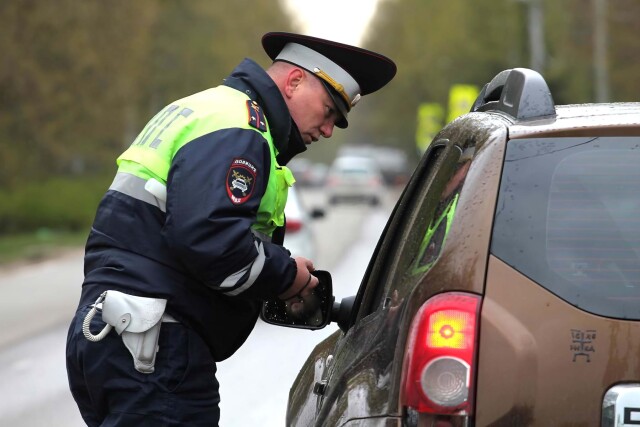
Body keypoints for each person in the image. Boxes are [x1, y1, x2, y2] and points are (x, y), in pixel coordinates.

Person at [65, 31, 396, 426]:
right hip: (155, 348)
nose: (327, 130)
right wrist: (288, 276)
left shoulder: (200, 108)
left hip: (112, 334)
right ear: (294, 82)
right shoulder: (241, 127)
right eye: (327, 111)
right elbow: (210, 240)